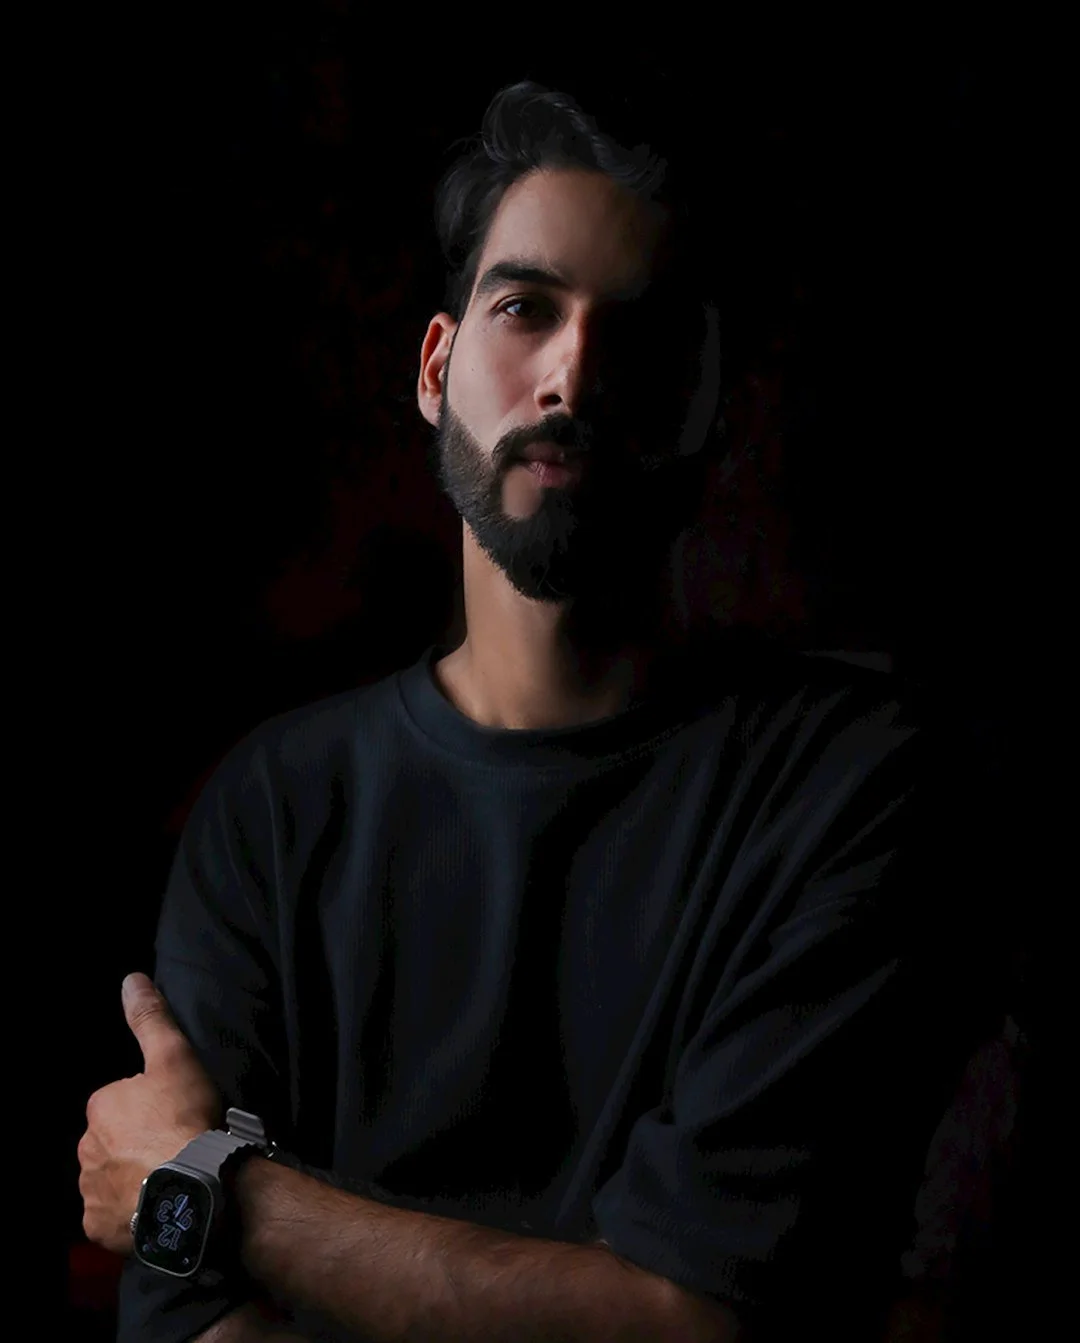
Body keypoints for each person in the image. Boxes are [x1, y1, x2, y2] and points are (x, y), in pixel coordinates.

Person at [79, 80, 979, 1342]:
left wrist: (224, 1197)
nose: (572, 374)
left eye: (641, 336)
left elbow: (694, 1321)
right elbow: (199, 1323)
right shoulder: (272, 809)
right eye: (526, 308)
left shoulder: (852, 783)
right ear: (437, 367)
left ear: (705, 410)